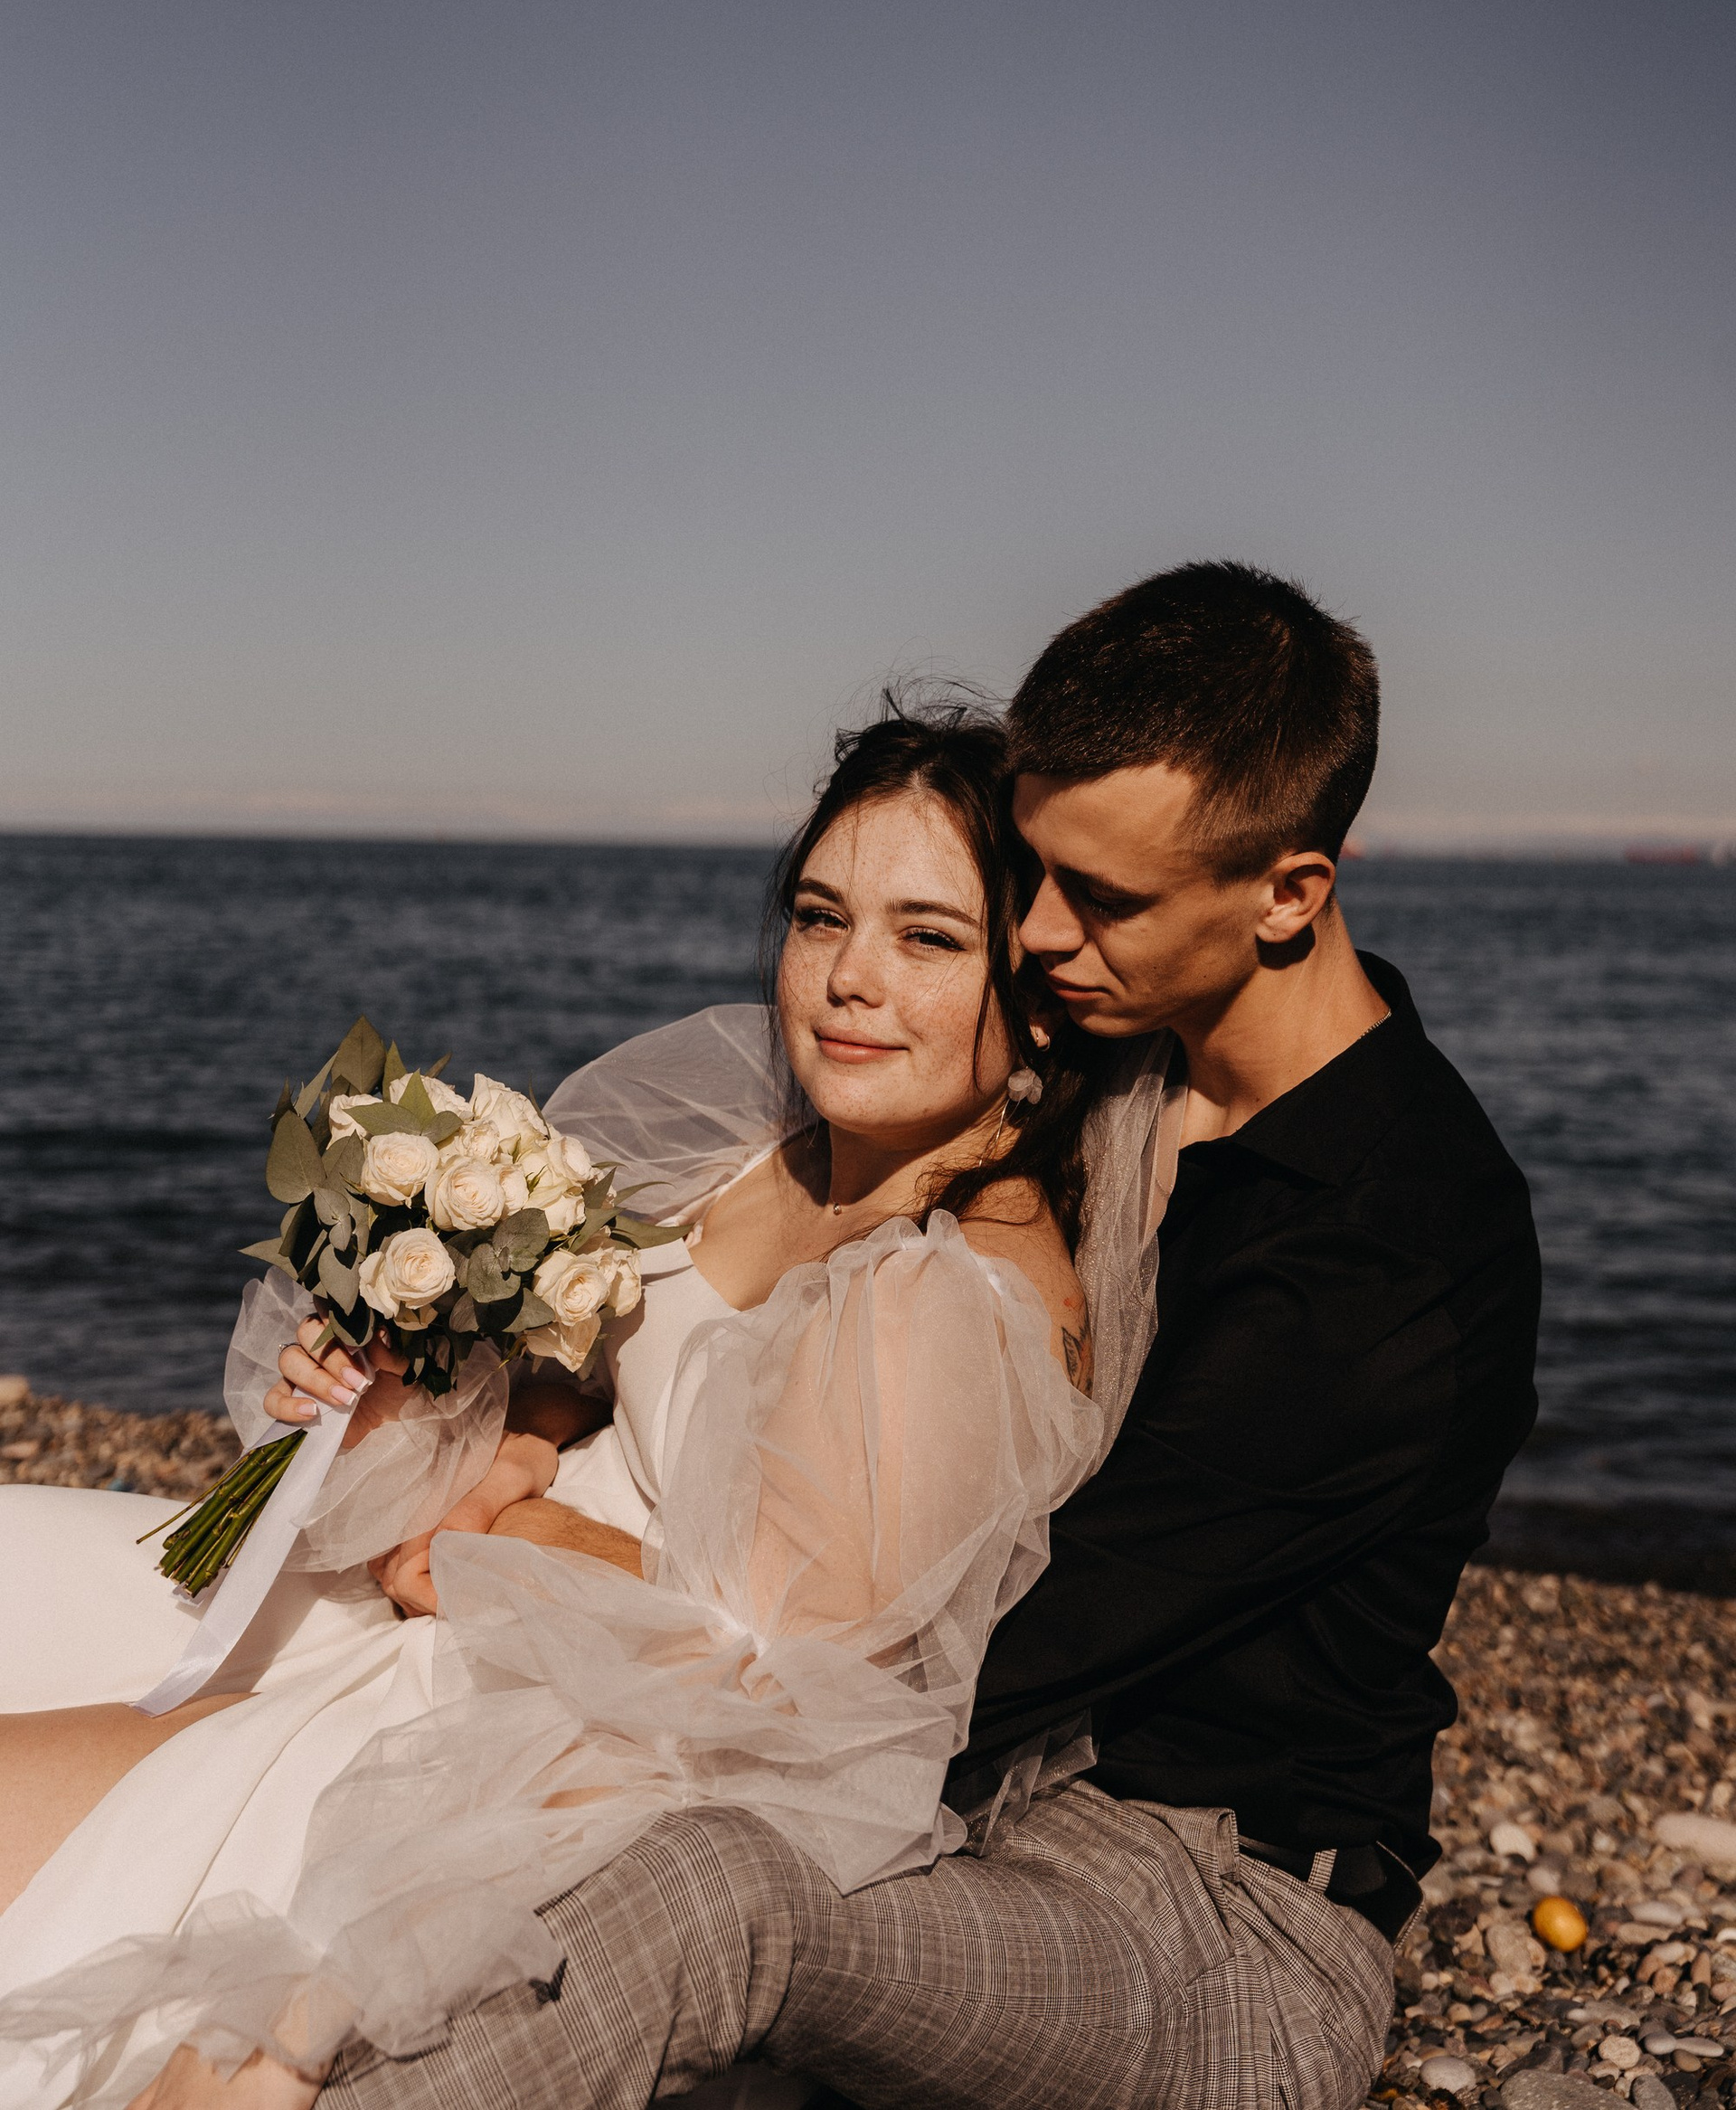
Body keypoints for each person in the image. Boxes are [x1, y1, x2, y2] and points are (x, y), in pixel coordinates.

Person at [296, 560, 1542, 2110]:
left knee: (711, 1893)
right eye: (1036, 873)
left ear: (1289, 894)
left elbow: (962, 1660)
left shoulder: (1388, 1250)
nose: (1039, 935)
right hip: (992, 1812)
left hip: (1212, 1912)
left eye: (1104, 900)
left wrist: (535, 1562)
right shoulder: (1133, 1063)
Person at [0, 705, 1178, 2110]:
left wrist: (489, 1547)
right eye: (820, 917)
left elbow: (787, 1689)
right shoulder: (768, 1144)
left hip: (531, 1744)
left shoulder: (954, 1299)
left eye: (929, 939)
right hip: (440, 1621)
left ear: (1036, 996)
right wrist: (455, 1405)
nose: (848, 978)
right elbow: (598, 1360)